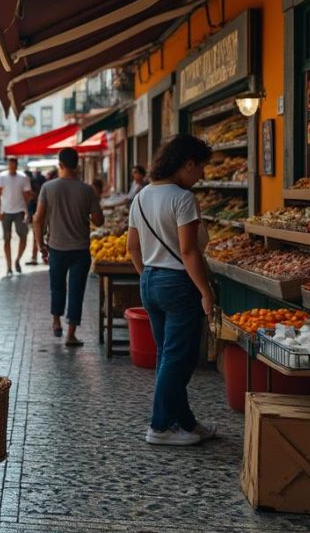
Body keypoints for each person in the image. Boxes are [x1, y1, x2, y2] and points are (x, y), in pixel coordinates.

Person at [127, 134, 217, 447]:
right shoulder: (183, 198)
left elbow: (132, 247)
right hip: (178, 283)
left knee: (168, 356)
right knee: (178, 358)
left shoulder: (141, 197)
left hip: (150, 281)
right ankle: (160, 425)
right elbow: (189, 251)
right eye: (201, 167)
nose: (202, 175)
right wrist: (206, 292)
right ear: (188, 164)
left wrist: (149, 276)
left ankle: (185, 420)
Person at [33, 148, 104, 346]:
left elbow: (37, 219)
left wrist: (40, 245)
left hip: (56, 247)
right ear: (77, 165)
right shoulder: (87, 190)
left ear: (60, 165)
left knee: (57, 286)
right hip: (81, 249)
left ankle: (56, 322)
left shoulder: (48, 187)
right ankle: (71, 334)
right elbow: (99, 221)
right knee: (76, 291)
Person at [0, 157, 33, 275]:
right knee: (6, 239)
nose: (11, 166)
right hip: (5, 211)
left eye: (13, 164)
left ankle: (17, 260)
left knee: (23, 237)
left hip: (20, 211)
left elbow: (27, 196)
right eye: (10, 164)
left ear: (17, 165)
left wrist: (27, 211)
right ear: (8, 165)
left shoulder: (23, 177)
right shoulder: (2, 177)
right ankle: (9, 265)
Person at [25, 169, 47, 266]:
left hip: (40, 217)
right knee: (37, 237)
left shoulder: (38, 197)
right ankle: (39, 256)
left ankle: (37, 256)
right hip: (40, 217)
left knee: (37, 237)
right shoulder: (38, 195)